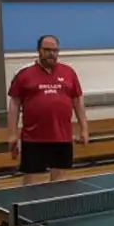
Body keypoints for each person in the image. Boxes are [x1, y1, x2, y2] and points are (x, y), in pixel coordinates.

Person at [7, 35, 88, 185]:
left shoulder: (69, 72)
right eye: (47, 50)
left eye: (55, 50)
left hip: (62, 136)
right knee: (32, 183)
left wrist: (84, 128)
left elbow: (77, 101)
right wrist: (12, 133)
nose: (52, 54)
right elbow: (14, 104)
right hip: (34, 138)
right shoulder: (24, 73)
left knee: (60, 183)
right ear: (39, 50)